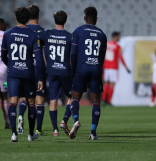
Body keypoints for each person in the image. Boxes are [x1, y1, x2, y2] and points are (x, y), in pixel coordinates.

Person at [1, 7, 44, 142]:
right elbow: (38, 59)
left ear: (16, 18)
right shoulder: (33, 34)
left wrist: (11, 65)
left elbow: (3, 55)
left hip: (13, 73)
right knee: (31, 102)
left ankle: (14, 134)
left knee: (13, 101)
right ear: (28, 19)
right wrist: (40, 78)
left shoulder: (8, 33)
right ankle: (31, 134)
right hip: (28, 73)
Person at [70, 7, 107, 140]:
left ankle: (76, 121)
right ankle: (93, 132)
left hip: (81, 68)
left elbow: (73, 53)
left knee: (75, 98)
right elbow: (102, 56)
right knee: (96, 101)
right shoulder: (102, 34)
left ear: (85, 18)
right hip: (96, 68)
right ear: (96, 19)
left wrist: (73, 71)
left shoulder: (78, 31)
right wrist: (97, 68)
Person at [38, 10, 72, 136]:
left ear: (54, 20)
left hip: (51, 71)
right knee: (71, 97)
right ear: (65, 20)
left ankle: (55, 130)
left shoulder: (46, 34)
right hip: (65, 71)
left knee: (53, 100)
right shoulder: (70, 36)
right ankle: (64, 120)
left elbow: (34, 33)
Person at [16, 4, 46, 136]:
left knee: (23, 97)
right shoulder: (43, 32)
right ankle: (38, 128)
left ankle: (21, 115)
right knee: (39, 98)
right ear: (38, 15)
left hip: (24, 67)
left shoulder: (23, 30)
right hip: (38, 68)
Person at [102, 32, 130, 105]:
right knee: (112, 84)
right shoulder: (117, 46)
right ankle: (108, 101)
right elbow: (120, 57)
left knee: (105, 84)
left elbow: (102, 56)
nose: (119, 38)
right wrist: (126, 68)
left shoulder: (106, 44)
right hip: (113, 67)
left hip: (106, 67)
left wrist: (102, 67)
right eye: (119, 36)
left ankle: (103, 100)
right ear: (116, 36)